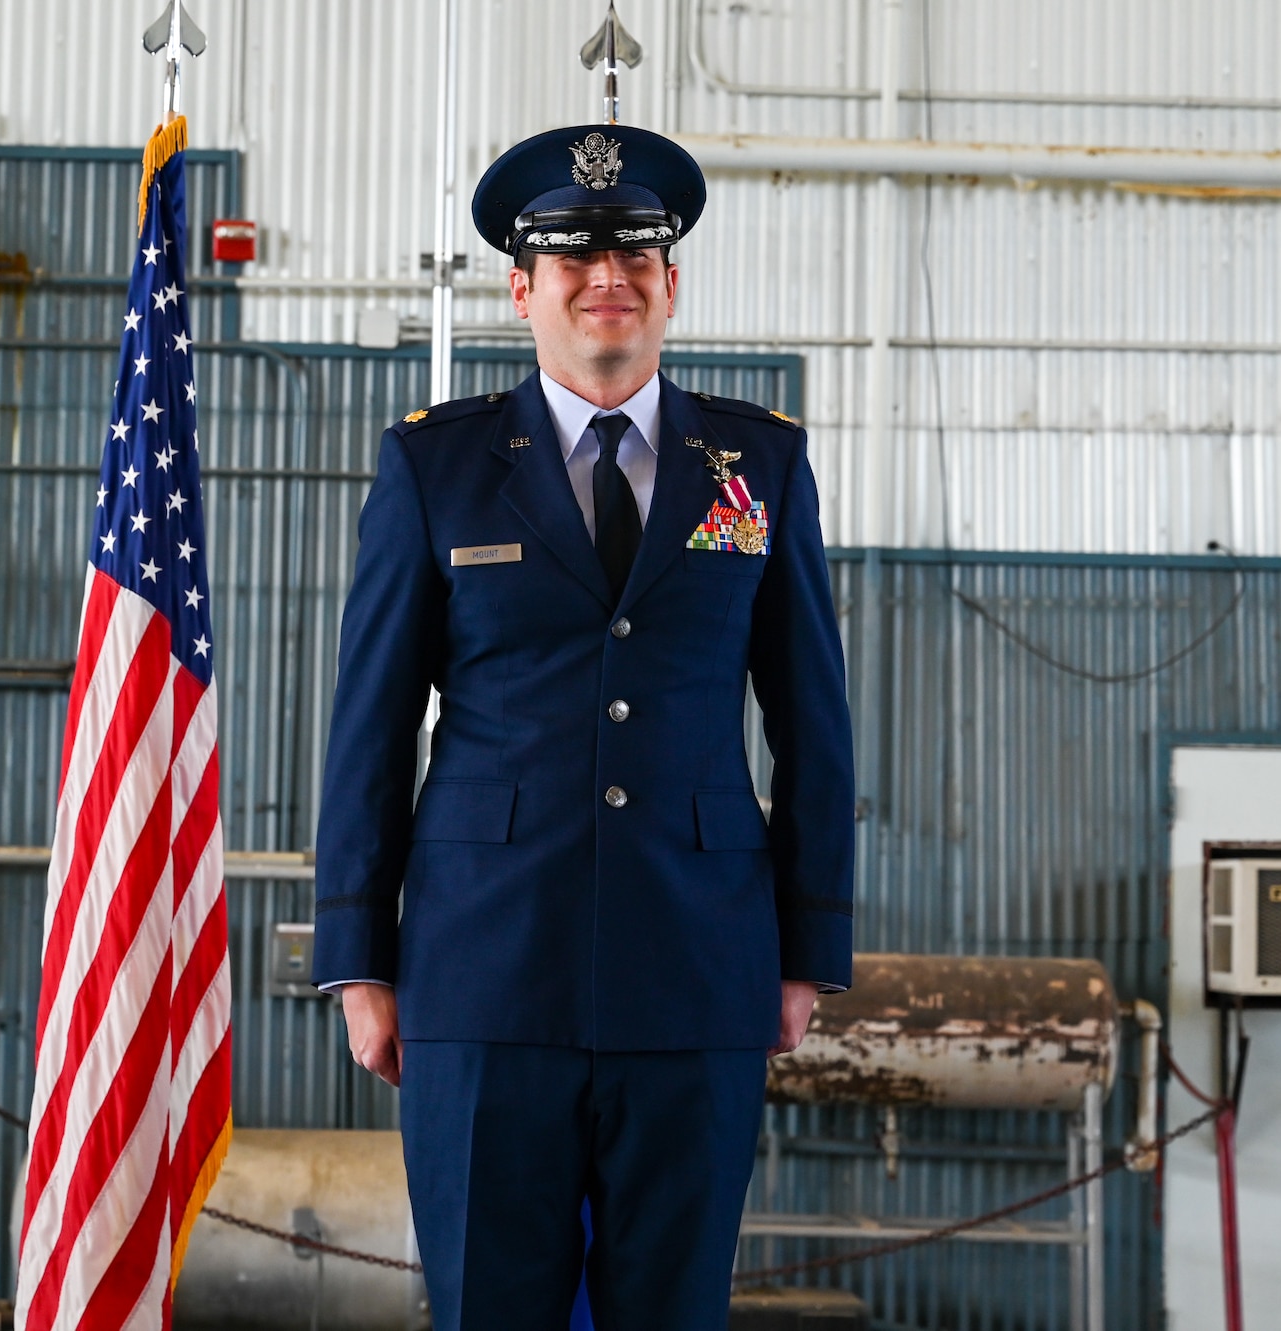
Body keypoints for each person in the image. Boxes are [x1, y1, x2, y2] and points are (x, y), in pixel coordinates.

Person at [312, 122, 855, 1330]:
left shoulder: (755, 468)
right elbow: (369, 723)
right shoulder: (434, 471)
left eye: (635, 253)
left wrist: (807, 944)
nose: (606, 273)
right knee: (489, 1303)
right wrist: (360, 958)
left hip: (697, 963)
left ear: (671, 284)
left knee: (670, 1306)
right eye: (571, 254)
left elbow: (811, 715)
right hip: (482, 967)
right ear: (522, 288)